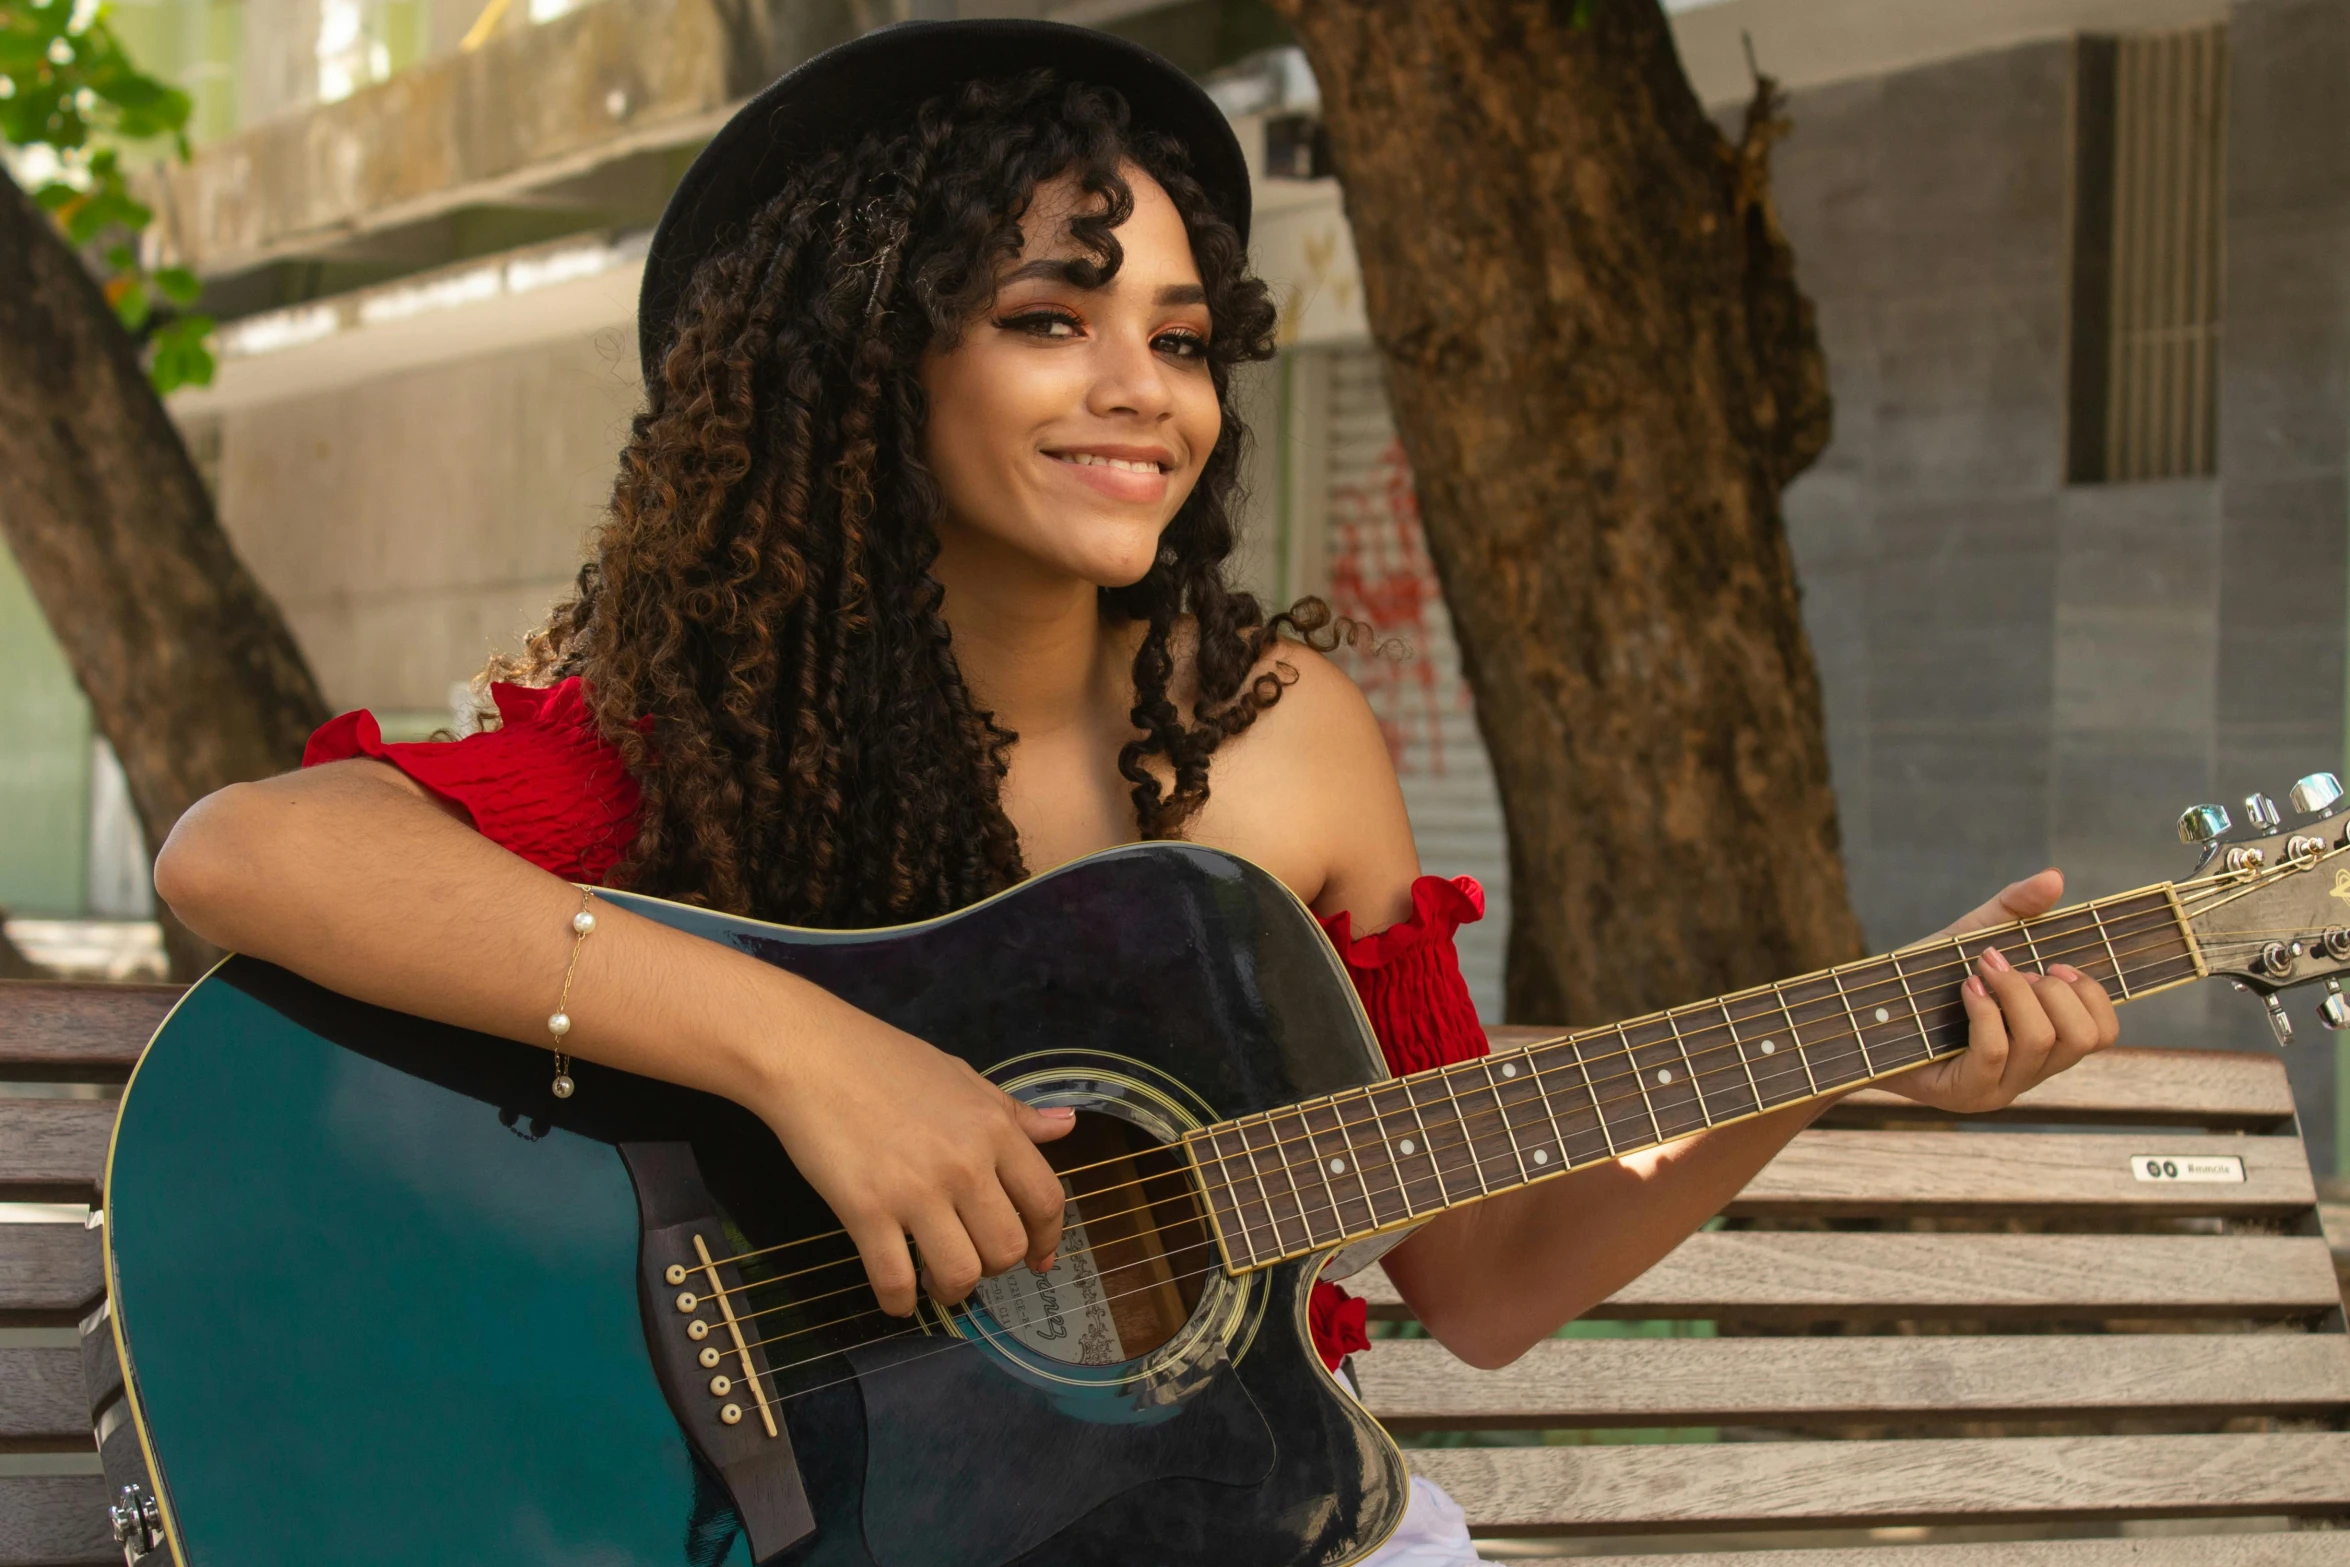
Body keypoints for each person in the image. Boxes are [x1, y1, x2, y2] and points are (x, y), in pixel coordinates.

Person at [153, 20, 2119, 1564]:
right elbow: (246, 851)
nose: (1142, 390)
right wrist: (803, 1058)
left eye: (1178, 339)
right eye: (1047, 322)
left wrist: (1848, 1048)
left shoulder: (1281, 738)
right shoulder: (704, 727)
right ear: (859, 369)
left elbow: (1483, 1278)